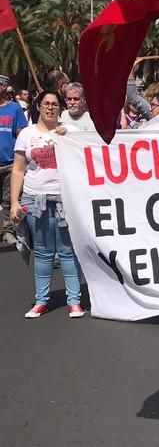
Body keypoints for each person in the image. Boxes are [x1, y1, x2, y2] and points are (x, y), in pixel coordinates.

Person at [10, 91, 85, 319]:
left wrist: (69, 139)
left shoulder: (71, 131)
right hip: (35, 200)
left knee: (67, 252)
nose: (50, 108)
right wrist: (14, 201)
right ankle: (41, 301)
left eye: (54, 104)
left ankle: (75, 301)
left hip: (65, 199)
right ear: (39, 106)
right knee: (42, 253)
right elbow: (19, 169)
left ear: (59, 108)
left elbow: (87, 158)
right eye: (46, 104)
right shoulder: (26, 134)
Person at [0, 74, 28, 245]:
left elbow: (21, 135)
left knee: (9, 199)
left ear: (3, 87)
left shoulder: (15, 109)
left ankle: (8, 231)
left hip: (10, 163)